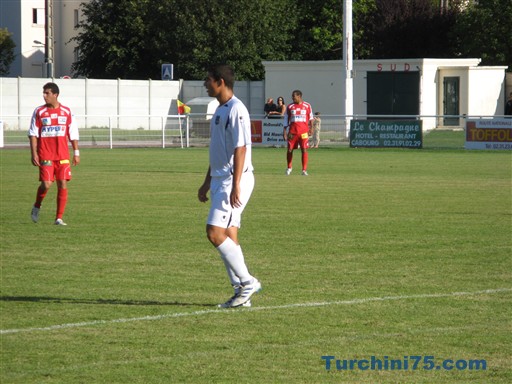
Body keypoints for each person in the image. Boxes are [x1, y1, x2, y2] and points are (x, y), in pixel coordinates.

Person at [198, 64, 261, 308]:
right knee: (230, 234)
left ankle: (247, 282)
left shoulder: (237, 110)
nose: (206, 84)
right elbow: (218, 151)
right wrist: (205, 183)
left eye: (208, 80)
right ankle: (241, 293)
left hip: (234, 181)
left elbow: (241, 148)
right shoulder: (219, 110)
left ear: (220, 82)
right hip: (219, 180)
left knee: (214, 233)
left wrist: (236, 185)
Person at [28, 82, 80, 226]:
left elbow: (73, 133)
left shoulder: (66, 111)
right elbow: (33, 134)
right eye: (44, 93)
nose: (44, 96)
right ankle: (37, 206)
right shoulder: (39, 111)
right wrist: (34, 154)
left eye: (47, 93)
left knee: (62, 183)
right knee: (46, 184)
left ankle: (59, 218)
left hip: (62, 155)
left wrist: (76, 152)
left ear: (55, 95)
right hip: (45, 154)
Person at [283, 90, 314, 176]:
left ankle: (304, 170)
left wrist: (311, 129)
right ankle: (289, 168)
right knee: (289, 150)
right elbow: (286, 119)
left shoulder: (307, 106)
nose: (292, 98)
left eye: (294, 96)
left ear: (299, 96)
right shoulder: (290, 106)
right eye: (292, 96)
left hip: (303, 132)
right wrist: (285, 131)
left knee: (304, 149)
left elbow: (311, 118)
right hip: (292, 132)